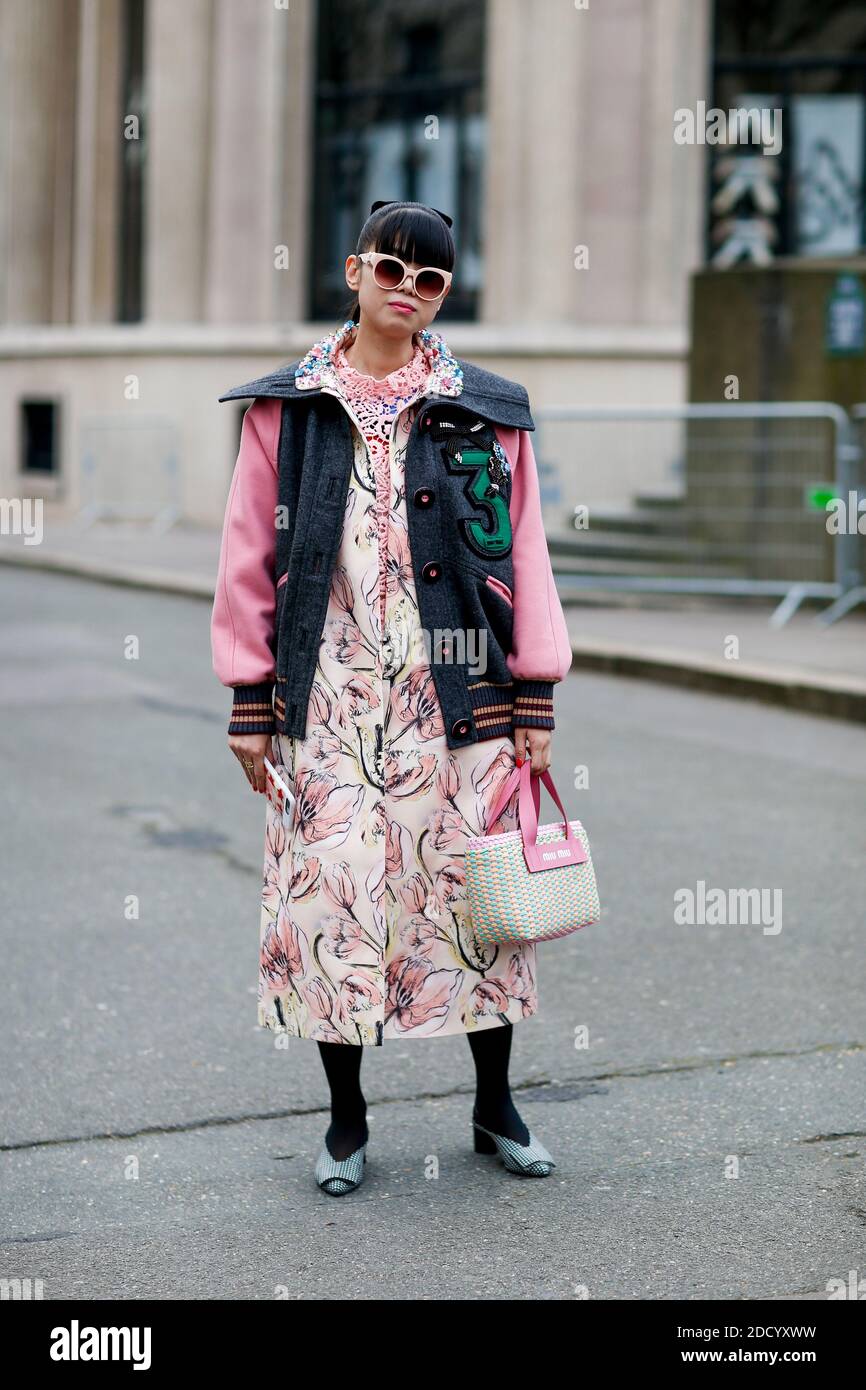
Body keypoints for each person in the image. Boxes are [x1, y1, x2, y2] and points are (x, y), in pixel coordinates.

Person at [211, 200, 572, 1195]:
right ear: (352, 270)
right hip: (325, 695)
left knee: (476, 903)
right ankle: (344, 1119)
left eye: (430, 281)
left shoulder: (485, 410)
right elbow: (249, 554)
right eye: (390, 269)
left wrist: (533, 692)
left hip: (457, 692)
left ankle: (493, 1103)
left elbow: (525, 553)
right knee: (332, 897)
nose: (406, 292)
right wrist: (250, 697)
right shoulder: (285, 409)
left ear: (444, 295)